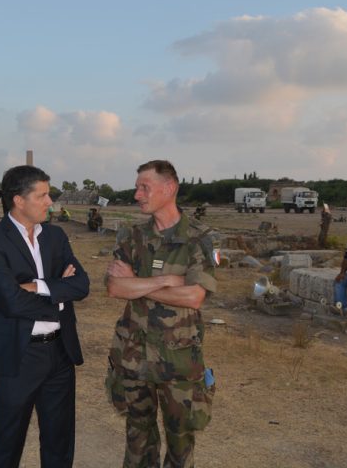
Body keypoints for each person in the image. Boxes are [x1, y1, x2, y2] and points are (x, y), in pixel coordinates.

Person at [0, 165, 90, 468]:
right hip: (17, 355)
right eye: (42, 195)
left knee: (59, 441)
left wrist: (37, 286)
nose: (50, 202)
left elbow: (81, 285)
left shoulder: (55, 236)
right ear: (18, 200)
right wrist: (59, 295)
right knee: (7, 441)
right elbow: (10, 301)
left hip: (60, 353)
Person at [105, 160, 218, 468]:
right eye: (137, 188)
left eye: (145, 188)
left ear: (169, 188)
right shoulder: (131, 236)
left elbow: (194, 297)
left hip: (178, 358)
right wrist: (166, 281)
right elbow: (114, 287)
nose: (137, 195)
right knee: (137, 435)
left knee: (181, 438)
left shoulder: (198, 238)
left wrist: (136, 284)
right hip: (133, 353)